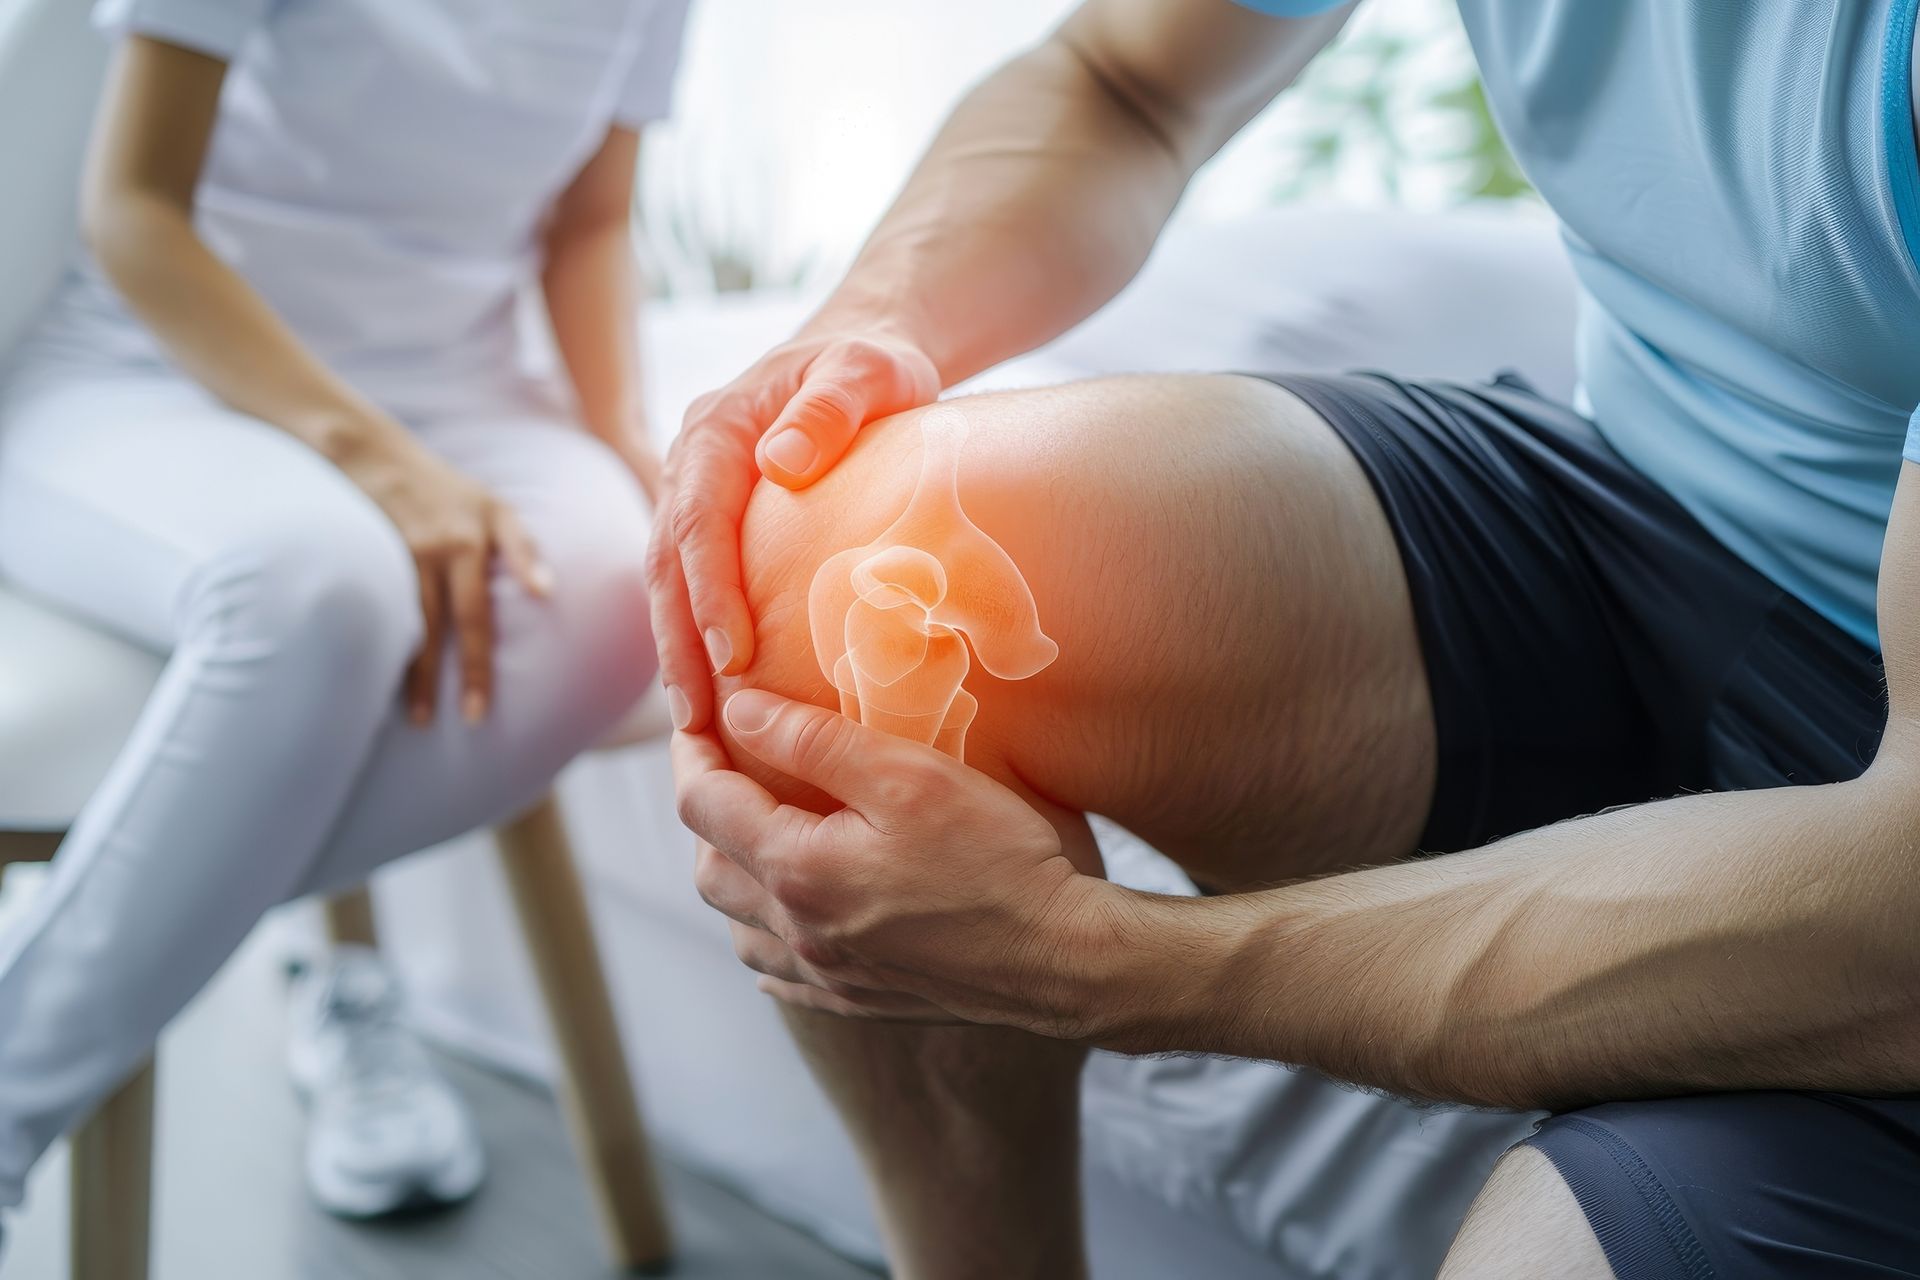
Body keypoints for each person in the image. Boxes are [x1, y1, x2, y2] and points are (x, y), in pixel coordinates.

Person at [655, 1, 1920, 1276]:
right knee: (833, 558)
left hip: (1891, 823)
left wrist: (1102, 963)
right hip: (1652, 535)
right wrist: (862, 331)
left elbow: (1902, 912)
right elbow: (1122, 81)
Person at [0, 0, 688, 1227]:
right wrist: (380, 464)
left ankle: (242, 956)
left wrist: (629, 437)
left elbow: (589, 223)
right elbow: (133, 209)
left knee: (611, 589)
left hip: (461, 388)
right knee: (323, 588)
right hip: (156, 373)